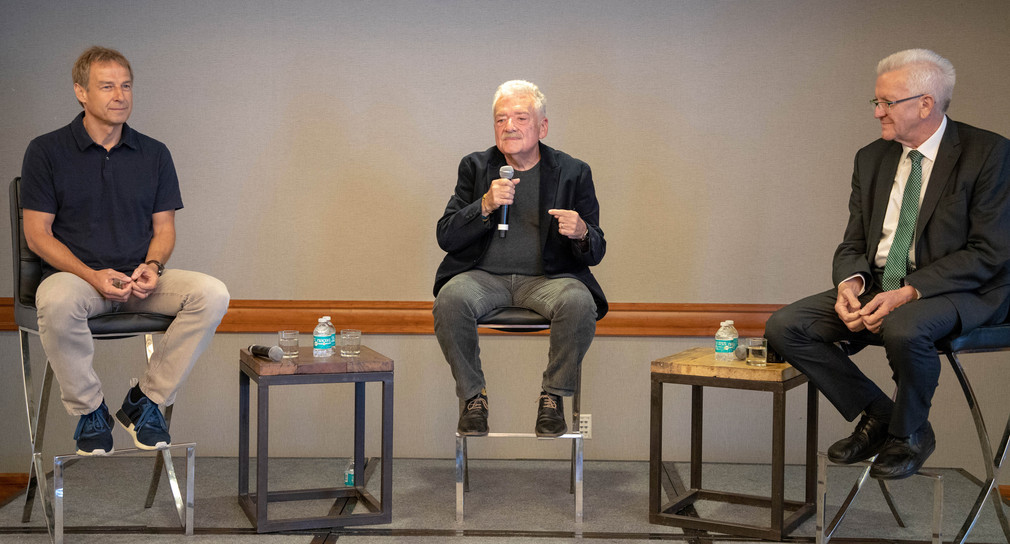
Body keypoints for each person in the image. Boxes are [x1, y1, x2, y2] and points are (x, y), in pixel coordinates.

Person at [766, 49, 1010, 480]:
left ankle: (910, 433)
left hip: (963, 291)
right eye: (875, 102)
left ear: (925, 104)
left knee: (905, 325)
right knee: (787, 326)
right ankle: (881, 414)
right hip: (883, 283)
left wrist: (909, 291)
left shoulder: (989, 154)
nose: (877, 111)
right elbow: (853, 242)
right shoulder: (871, 157)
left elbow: (989, 252)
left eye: (887, 103)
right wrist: (851, 283)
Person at [20, 46, 230, 456]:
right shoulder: (46, 151)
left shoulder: (154, 153)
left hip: (139, 280)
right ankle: (91, 411)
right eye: (107, 86)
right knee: (56, 298)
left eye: (126, 86)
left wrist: (153, 265)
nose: (120, 95)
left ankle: (146, 403)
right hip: (81, 281)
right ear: (81, 92)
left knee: (212, 293)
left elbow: (164, 229)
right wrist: (93, 276)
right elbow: (37, 235)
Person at [433, 80, 607, 438]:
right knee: (450, 299)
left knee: (579, 301)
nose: (509, 126)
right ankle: (472, 397)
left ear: (542, 127)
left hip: (548, 280)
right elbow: (446, 235)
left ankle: (553, 397)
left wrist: (582, 232)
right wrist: (484, 204)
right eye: (501, 120)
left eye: (520, 118)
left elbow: (598, 248)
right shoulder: (476, 167)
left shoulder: (573, 172)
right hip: (484, 278)